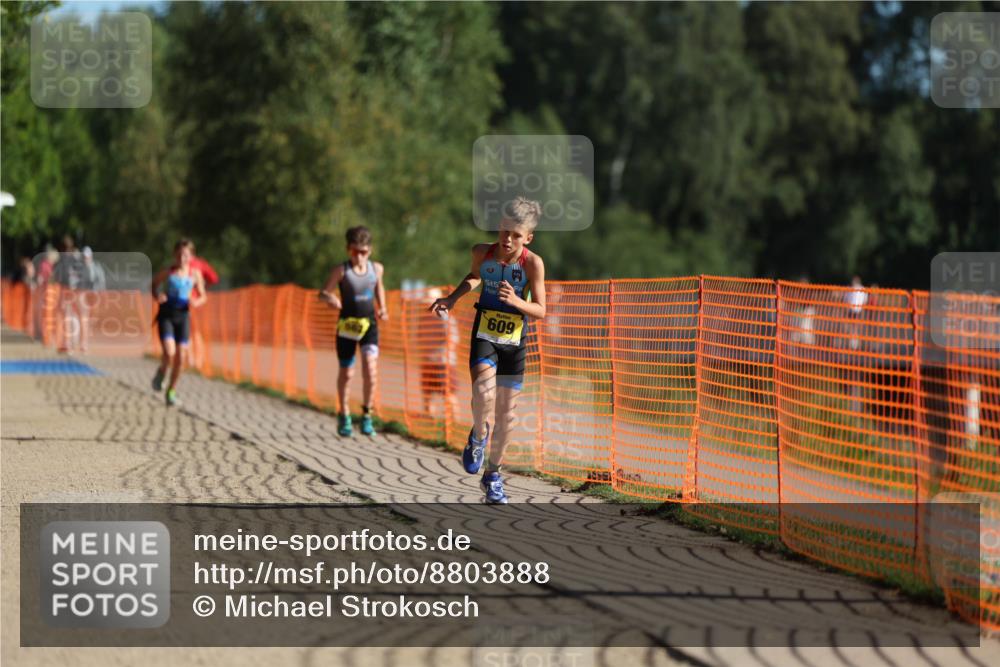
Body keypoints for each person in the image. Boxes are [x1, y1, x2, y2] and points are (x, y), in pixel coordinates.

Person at [430, 197, 547, 504]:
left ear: (528, 238)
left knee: (506, 416)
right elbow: (474, 276)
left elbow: (541, 309)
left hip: (514, 341)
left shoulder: (532, 264)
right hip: (485, 333)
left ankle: (493, 476)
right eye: (504, 231)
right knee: (484, 393)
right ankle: (478, 436)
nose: (507, 239)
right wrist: (452, 298)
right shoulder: (482, 253)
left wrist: (518, 302)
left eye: (516, 235)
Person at [319, 226, 388, 437]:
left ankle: (367, 416)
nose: (359, 257)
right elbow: (322, 293)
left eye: (363, 252)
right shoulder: (341, 271)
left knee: (370, 368)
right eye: (355, 252)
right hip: (347, 325)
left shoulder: (376, 269)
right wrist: (330, 299)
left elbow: (378, 287)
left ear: (370, 251)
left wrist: (383, 307)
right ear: (348, 250)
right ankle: (344, 414)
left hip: (369, 325)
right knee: (347, 373)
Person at [151, 239, 207, 406]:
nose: (182, 258)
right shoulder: (169, 272)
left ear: (191, 256)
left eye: (186, 255)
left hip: (183, 317)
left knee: (181, 358)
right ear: (175, 255)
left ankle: (171, 391)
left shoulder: (195, 274)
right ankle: (161, 372)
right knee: (170, 353)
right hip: (166, 316)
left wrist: (196, 302)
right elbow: (154, 285)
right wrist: (157, 295)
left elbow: (203, 295)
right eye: (179, 254)